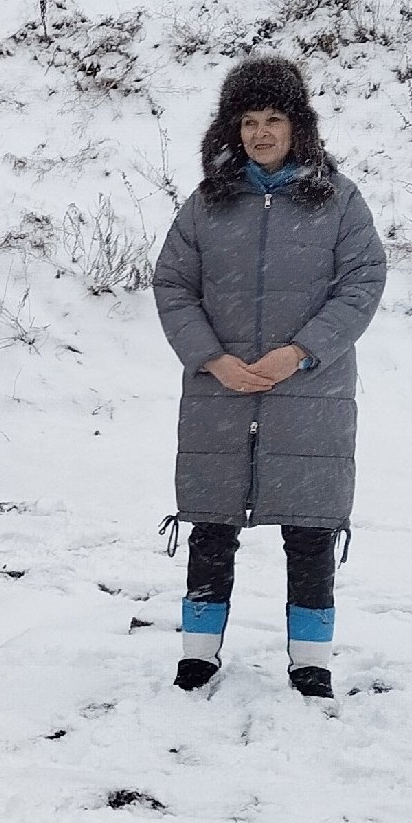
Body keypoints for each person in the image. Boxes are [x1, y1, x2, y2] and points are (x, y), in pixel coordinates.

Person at [152, 55, 387, 699]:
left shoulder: (339, 202)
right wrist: (210, 358)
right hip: (218, 394)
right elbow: (173, 284)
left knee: (310, 530)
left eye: (273, 119)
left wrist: (300, 351)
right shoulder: (207, 205)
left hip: (311, 392)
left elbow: (362, 284)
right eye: (248, 120)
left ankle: (310, 661)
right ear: (231, 129)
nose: (260, 132)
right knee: (211, 525)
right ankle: (197, 655)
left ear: (297, 126)